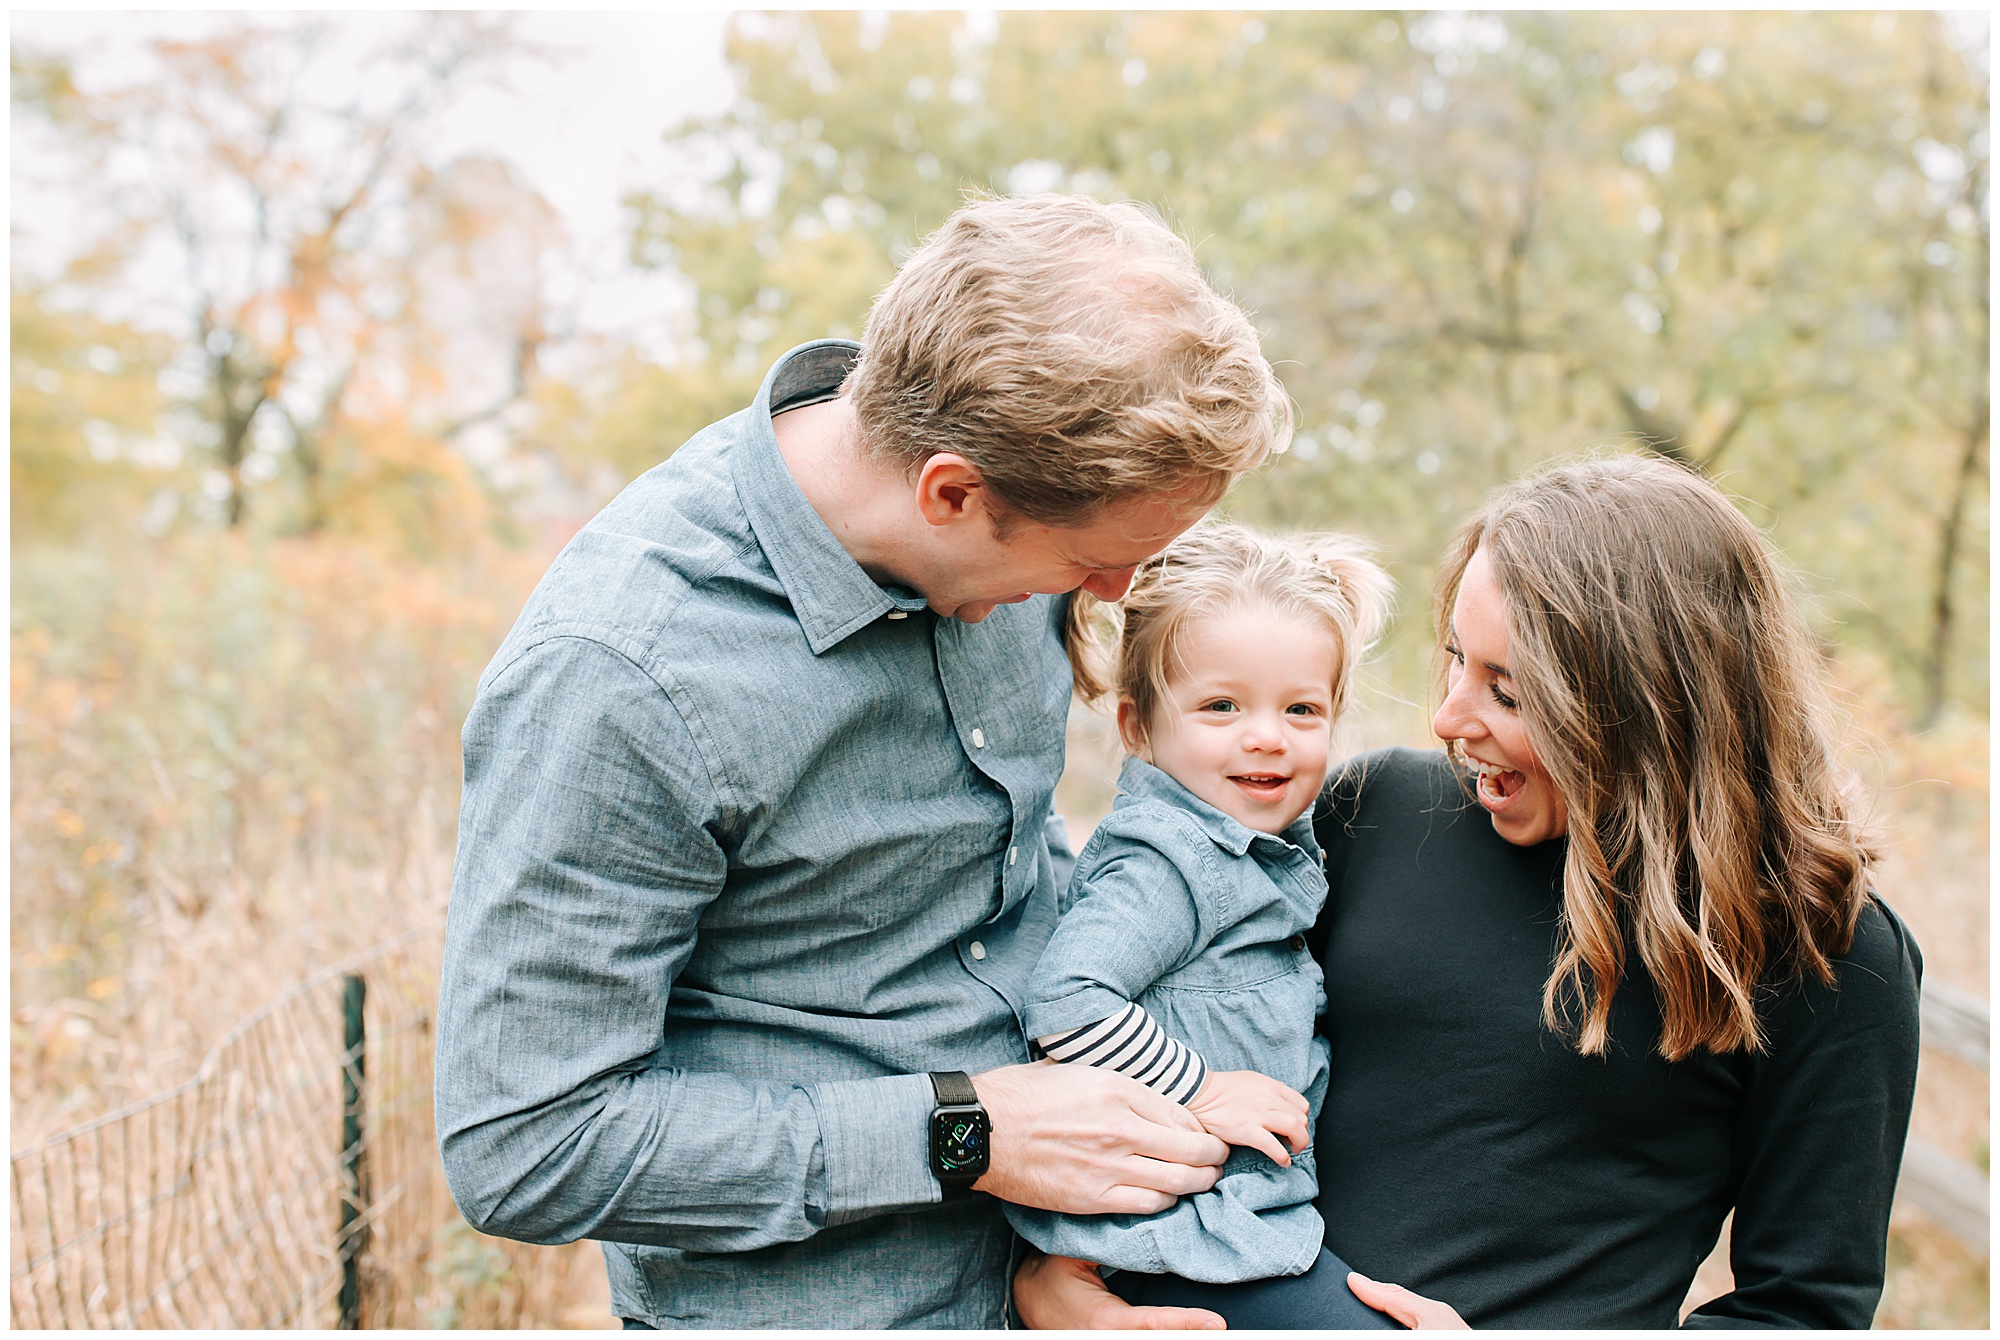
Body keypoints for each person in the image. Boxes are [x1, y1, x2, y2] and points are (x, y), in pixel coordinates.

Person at [432, 193, 1295, 1329]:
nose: (1112, 597)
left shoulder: (1012, 489)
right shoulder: (620, 676)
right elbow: (526, 1144)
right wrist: (965, 1133)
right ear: (948, 492)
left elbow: (1015, 859)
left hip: (1059, 1272)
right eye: (1094, 561)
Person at [1013, 454, 1922, 1329]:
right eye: (1458, 660)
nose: (1449, 717)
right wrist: (1060, 1285)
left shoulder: (1825, 946)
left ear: (1648, 708)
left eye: (1510, 693)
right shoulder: (1376, 813)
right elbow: (1158, 1029)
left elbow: (1803, 1310)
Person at [1006, 524, 1394, 1329]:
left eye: (1301, 709)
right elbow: (1069, 1001)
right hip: (1171, 1242)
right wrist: (1201, 1088)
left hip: (1238, 1226)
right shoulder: (1169, 863)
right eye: (1221, 706)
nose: (1267, 734)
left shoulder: (1261, 853)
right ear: (1138, 727)